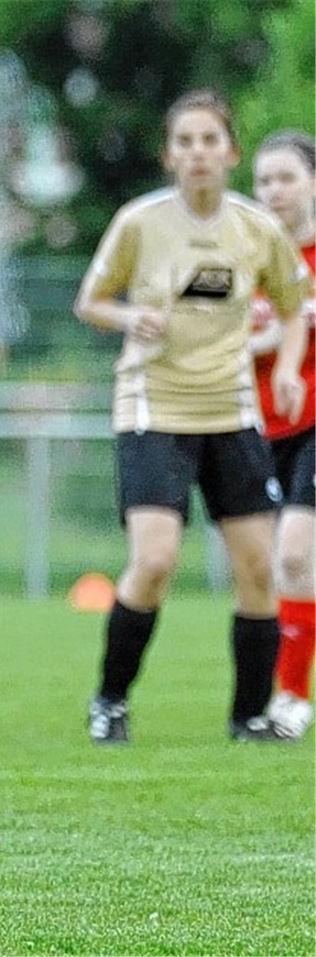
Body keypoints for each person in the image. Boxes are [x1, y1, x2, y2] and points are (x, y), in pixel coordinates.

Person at [72, 90, 310, 744]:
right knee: (154, 560)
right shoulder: (139, 222)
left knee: (258, 567)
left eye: (210, 141)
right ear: (169, 155)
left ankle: (250, 715)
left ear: (230, 152)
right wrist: (128, 316)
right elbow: (89, 300)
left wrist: (287, 368)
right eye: (186, 142)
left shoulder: (255, 227)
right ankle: (111, 699)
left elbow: (295, 307)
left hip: (230, 410)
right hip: (153, 406)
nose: (198, 153)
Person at [250, 130, 316, 739]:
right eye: (264, 180)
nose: (274, 191)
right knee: (269, 568)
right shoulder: (245, 262)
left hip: (314, 423)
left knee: (297, 554)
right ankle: (270, 696)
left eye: (287, 177)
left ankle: (292, 699)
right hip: (259, 426)